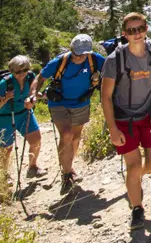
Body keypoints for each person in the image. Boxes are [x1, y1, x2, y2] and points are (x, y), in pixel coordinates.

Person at [101, 12, 151, 229]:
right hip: (124, 119)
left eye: (140, 29)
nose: (137, 34)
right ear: (124, 34)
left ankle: (133, 180)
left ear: (146, 28)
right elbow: (105, 96)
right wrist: (113, 128)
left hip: (150, 114)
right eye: (131, 31)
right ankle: (137, 208)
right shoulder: (115, 60)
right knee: (132, 166)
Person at [30, 34, 106, 194]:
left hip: (81, 102)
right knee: (66, 134)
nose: (80, 57)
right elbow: (40, 78)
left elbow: (111, 72)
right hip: (59, 103)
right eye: (77, 53)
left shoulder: (95, 59)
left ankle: (69, 167)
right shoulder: (59, 62)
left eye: (83, 54)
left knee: (76, 137)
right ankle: (66, 175)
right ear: (72, 50)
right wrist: (33, 94)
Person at [0, 55, 46, 178]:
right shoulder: (5, 83)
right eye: (18, 72)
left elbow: (33, 92)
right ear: (11, 71)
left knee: (36, 140)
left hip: (24, 114)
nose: (22, 74)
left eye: (25, 70)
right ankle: (3, 175)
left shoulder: (30, 77)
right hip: (4, 118)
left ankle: (33, 167)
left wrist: (36, 97)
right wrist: (6, 99)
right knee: (6, 149)